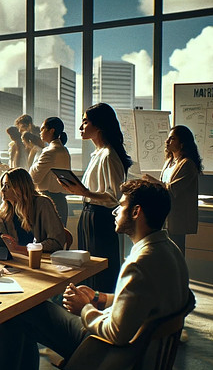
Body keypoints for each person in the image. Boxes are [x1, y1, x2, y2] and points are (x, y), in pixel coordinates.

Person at [0, 179, 190, 370]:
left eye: (121, 206)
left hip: (117, 359)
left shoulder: (141, 262)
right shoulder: (168, 250)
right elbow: (145, 300)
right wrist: (99, 298)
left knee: (20, 311)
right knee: (25, 313)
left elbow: (117, 333)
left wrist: (84, 308)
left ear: (137, 212)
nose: (115, 211)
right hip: (150, 361)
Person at [60, 103, 133, 292]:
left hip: (100, 217)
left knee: (101, 268)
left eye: (85, 122)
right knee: (88, 267)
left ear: (99, 125)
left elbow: (114, 197)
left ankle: (103, 306)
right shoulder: (97, 154)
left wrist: (83, 192)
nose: (80, 127)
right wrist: (80, 191)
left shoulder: (109, 155)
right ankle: (89, 302)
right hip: (89, 214)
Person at [0, 168, 66, 258]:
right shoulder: (2, 210)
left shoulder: (42, 204)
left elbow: (56, 242)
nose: (2, 190)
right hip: (15, 260)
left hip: (39, 260)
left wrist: (24, 249)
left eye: (7, 186)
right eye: (2, 185)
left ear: (20, 188)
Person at [143, 125, 201, 254]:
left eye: (172, 139)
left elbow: (174, 188)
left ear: (182, 144)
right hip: (164, 215)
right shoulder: (169, 161)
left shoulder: (187, 164)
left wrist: (154, 182)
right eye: (168, 138)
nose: (167, 141)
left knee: (176, 253)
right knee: (164, 252)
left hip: (177, 218)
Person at [27, 116, 72, 224]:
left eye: (43, 129)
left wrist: (34, 164)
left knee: (47, 236)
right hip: (59, 199)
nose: (40, 132)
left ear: (51, 130)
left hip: (49, 199)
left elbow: (34, 177)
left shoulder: (50, 151)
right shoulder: (63, 149)